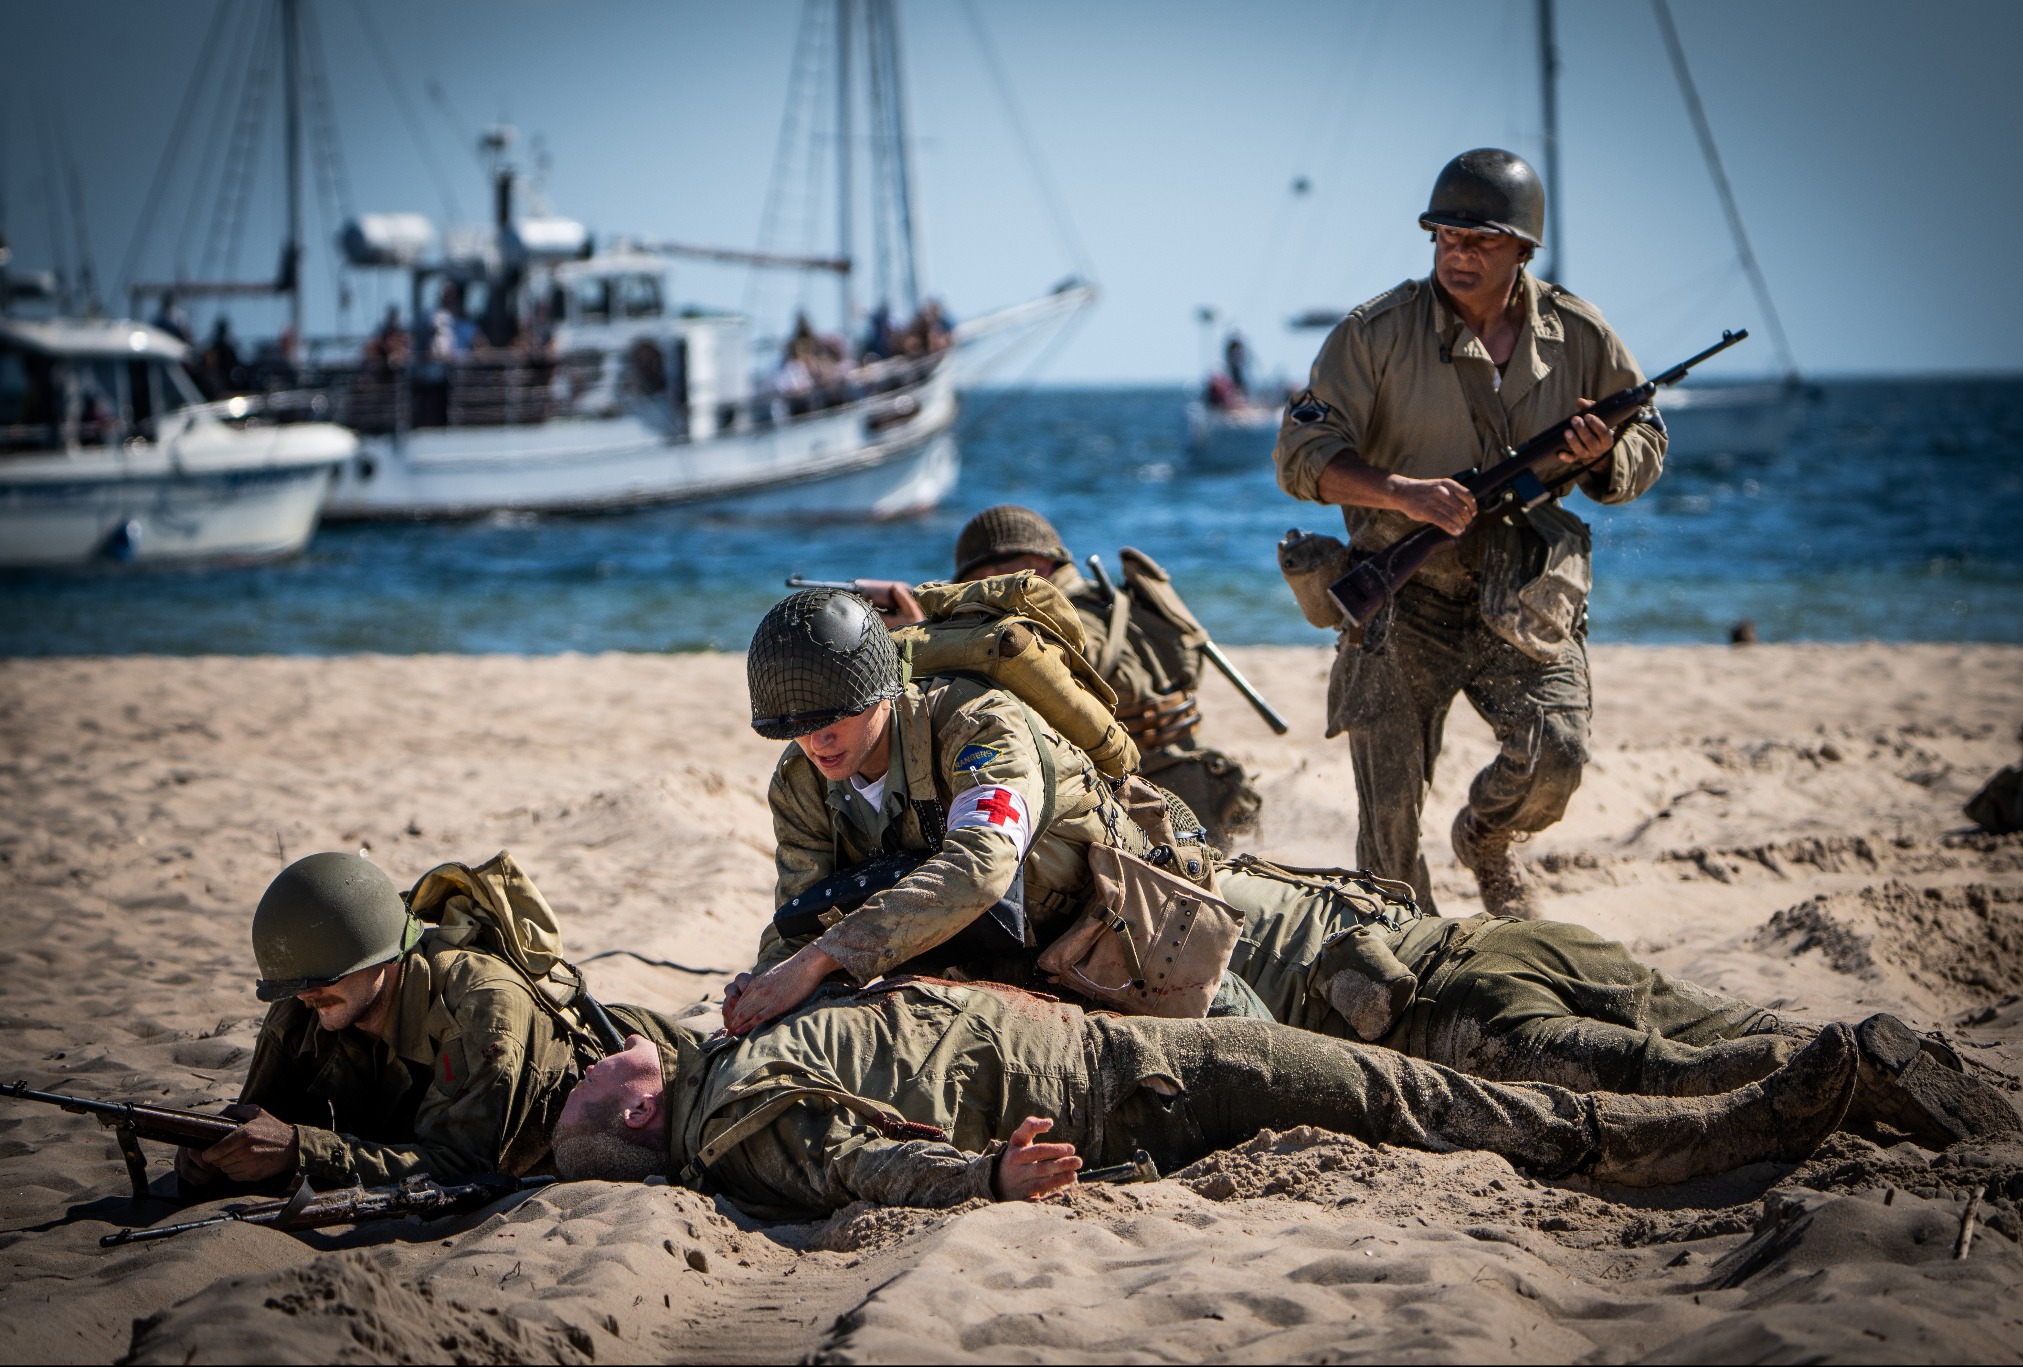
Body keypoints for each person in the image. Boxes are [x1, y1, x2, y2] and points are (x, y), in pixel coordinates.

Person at [551, 981, 1859, 1220]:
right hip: (1136, 1088)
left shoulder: (709, 1062)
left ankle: (1668, 1118)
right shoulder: (744, 1122)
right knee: (1405, 1093)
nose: (597, 1059)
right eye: (597, 1081)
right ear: (640, 1116)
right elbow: (862, 1169)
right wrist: (987, 1179)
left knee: (1404, 1090)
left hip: (1125, 1053)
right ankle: (1698, 1139)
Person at [1273, 148, 1667, 919]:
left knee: (1558, 755)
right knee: (1388, 821)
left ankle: (1485, 836)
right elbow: (1299, 456)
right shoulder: (1373, 334)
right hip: (1400, 585)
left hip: (1521, 585)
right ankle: (1407, 945)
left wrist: (1605, 455)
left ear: (1522, 248)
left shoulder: (1579, 334)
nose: (1457, 252)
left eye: (1479, 240)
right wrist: (1401, 492)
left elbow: (1645, 434)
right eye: (1445, 237)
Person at [723, 589, 1269, 1034]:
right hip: (995, 975)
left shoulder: (980, 729)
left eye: (832, 718)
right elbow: (798, 915)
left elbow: (981, 868)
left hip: (1132, 954)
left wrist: (821, 959)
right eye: (794, 728)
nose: (815, 742)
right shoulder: (801, 784)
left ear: (881, 692)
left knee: (1264, 1068)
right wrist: (766, 988)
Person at [1217, 860, 2022, 1147]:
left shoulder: (1144, 948)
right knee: (1689, 1010)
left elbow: (1250, 1052)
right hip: (1502, 936)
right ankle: (1854, 1044)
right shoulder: (1222, 863)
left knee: (1666, 1073)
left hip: (1453, 1012)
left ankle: (1826, 1064)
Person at [173, 853, 588, 1191]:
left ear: (384, 958)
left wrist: (303, 1150)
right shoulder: (309, 1003)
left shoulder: (481, 1010)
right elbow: (264, 1131)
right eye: (292, 986)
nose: (305, 995)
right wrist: (215, 1154)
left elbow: (464, 1169)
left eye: (322, 980)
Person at [860, 505, 1264, 845]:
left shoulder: (1068, 618)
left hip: (1151, 798)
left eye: (983, 582)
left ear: (1035, 566)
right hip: (1192, 782)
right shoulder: (1104, 602)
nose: (978, 596)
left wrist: (922, 630)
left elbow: (1049, 670)